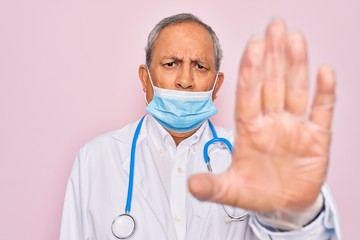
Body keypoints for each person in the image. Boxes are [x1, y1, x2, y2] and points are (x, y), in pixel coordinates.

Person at [60, 13, 340, 239]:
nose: (185, 80)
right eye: (171, 64)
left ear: (216, 85)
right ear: (145, 79)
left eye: (200, 66)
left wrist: (298, 213)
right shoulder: (95, 159)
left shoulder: (253, 158)